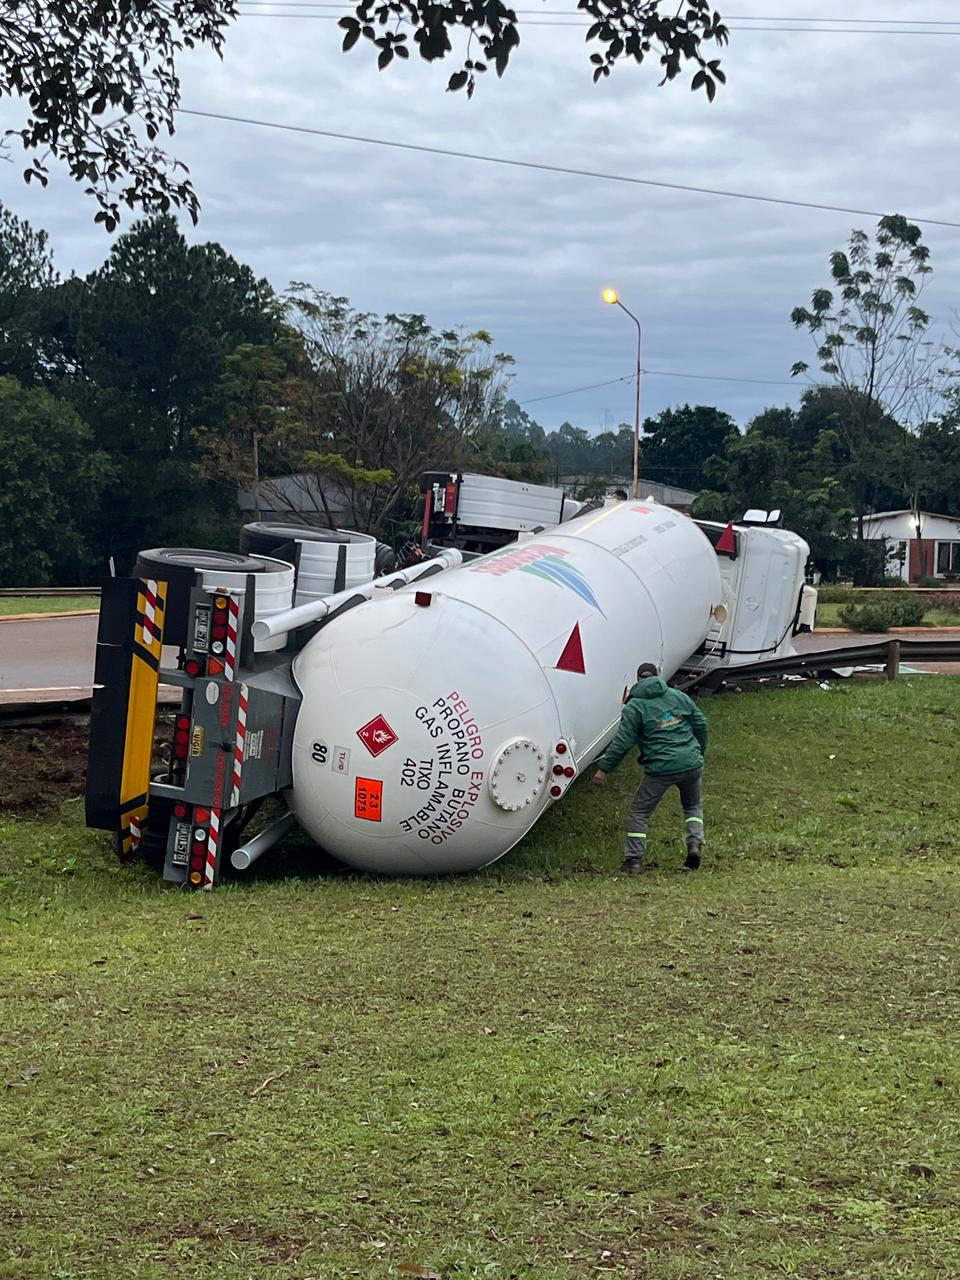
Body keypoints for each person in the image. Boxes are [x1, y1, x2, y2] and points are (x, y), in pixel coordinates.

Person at [593, 663, 709, 875]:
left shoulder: (635, 706)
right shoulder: (678, 696)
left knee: (640, 812)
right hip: (692, 763)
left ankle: (633, 861)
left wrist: (604, 768)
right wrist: (698, 751)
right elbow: (701, 723)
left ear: (638, 680)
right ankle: (694, 844)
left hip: (661, 767)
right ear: (657, 676)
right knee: (692, 806)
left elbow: (623, 741)